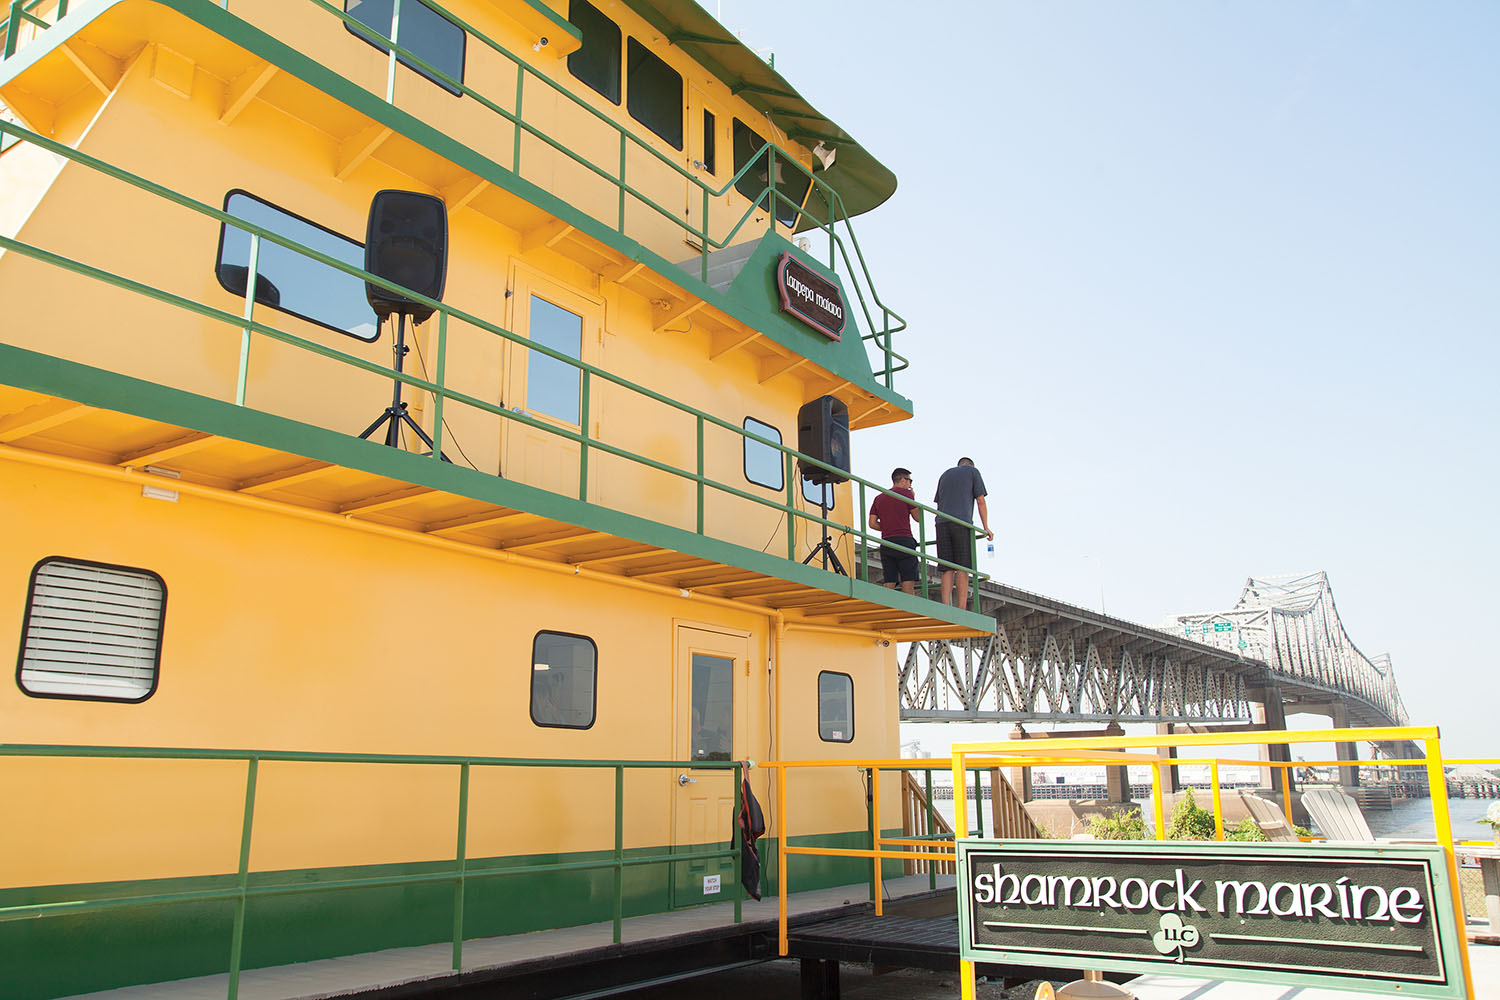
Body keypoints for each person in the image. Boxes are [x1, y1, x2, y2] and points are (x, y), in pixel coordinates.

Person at [933, 457, 993, 609]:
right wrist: (986, 527)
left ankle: (945, 606)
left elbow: (939, 502)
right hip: (961, 522)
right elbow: (980, 500)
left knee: (947, 567)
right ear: (971, 465)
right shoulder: (973, 472)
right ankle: (961, 607)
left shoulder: (945, 474)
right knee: (963, 567)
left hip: (941, 522)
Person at [868, 467, 920, 594]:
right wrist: (913, 497)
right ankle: (908, 608)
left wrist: (887, 527)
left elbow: (872, 524)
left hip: (887, 541)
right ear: (902, 479)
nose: (910, 484)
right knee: (908, 578)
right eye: (909, 480)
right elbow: (918, 518)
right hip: (904, 539)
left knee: (889, 579)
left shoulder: (879, 498)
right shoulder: (906, 494)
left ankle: (886, 606)